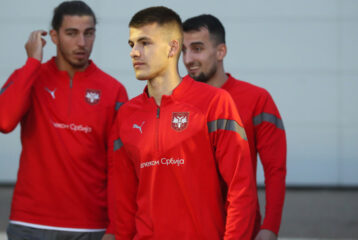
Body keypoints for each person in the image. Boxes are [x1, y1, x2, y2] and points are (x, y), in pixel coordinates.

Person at [109, 6, 257, 240]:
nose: (134, 53)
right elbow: (124, 200)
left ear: (173, 47)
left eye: (145, 43)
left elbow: (241, 190)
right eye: (132, 44)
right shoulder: (126, 115)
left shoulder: (215, 102)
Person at [0, 1, 127, 239]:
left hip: (90, 227)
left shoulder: (114, 91)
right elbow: (2, 121)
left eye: (89, 33)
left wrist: (115, 228)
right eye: (72, 33)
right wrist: (32, 62)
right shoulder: (30, 77)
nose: (81, 43)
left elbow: (119, 165)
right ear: (54, 36)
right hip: (30, 223)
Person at [182, 14, 287, 240]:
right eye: (184, 50)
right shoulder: (175, 101)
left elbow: (275, 170)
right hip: (187, 228)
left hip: (241, 228)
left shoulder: (257, 99)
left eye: (197, 48)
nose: (188, 59)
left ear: (221, 52)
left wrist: (270, 227)